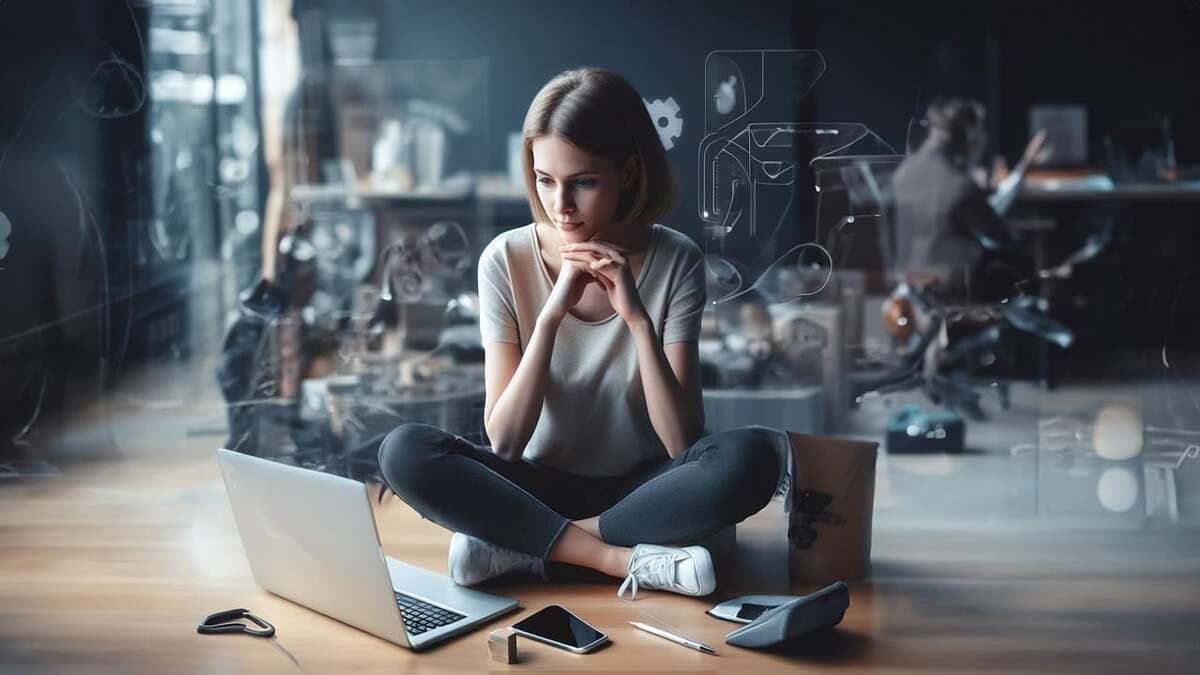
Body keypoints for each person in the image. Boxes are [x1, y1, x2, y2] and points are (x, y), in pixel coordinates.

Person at [377, 68, 784, 601]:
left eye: (583, 182)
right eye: (545, 180)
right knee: (403, 451)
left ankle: (527, 549)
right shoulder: (505, 258)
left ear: (629, 174)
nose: (560, 205)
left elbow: (683, 441)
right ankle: (617, 559)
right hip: (536, 485)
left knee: (754, 457)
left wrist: (637, 318)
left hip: (642, 487)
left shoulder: (676, 258)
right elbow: (504, 441)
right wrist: (549, 318)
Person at [891, 98, 1047, 302]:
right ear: (968, 137)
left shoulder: (903, 174)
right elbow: (999, 235)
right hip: (952, 293)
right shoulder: (959, 184)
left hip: (909, 289)